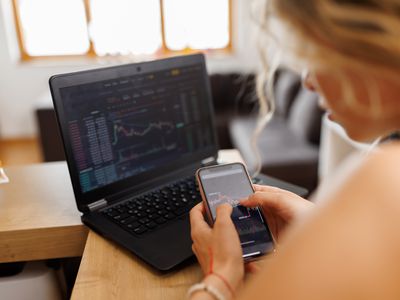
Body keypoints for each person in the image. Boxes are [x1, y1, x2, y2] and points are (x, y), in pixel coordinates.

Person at [189, 0, 400, 299]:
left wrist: (220, 276)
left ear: (367, 46)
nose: (308, 82)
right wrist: (320, 226)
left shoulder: (385, 181)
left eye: (313, 54)